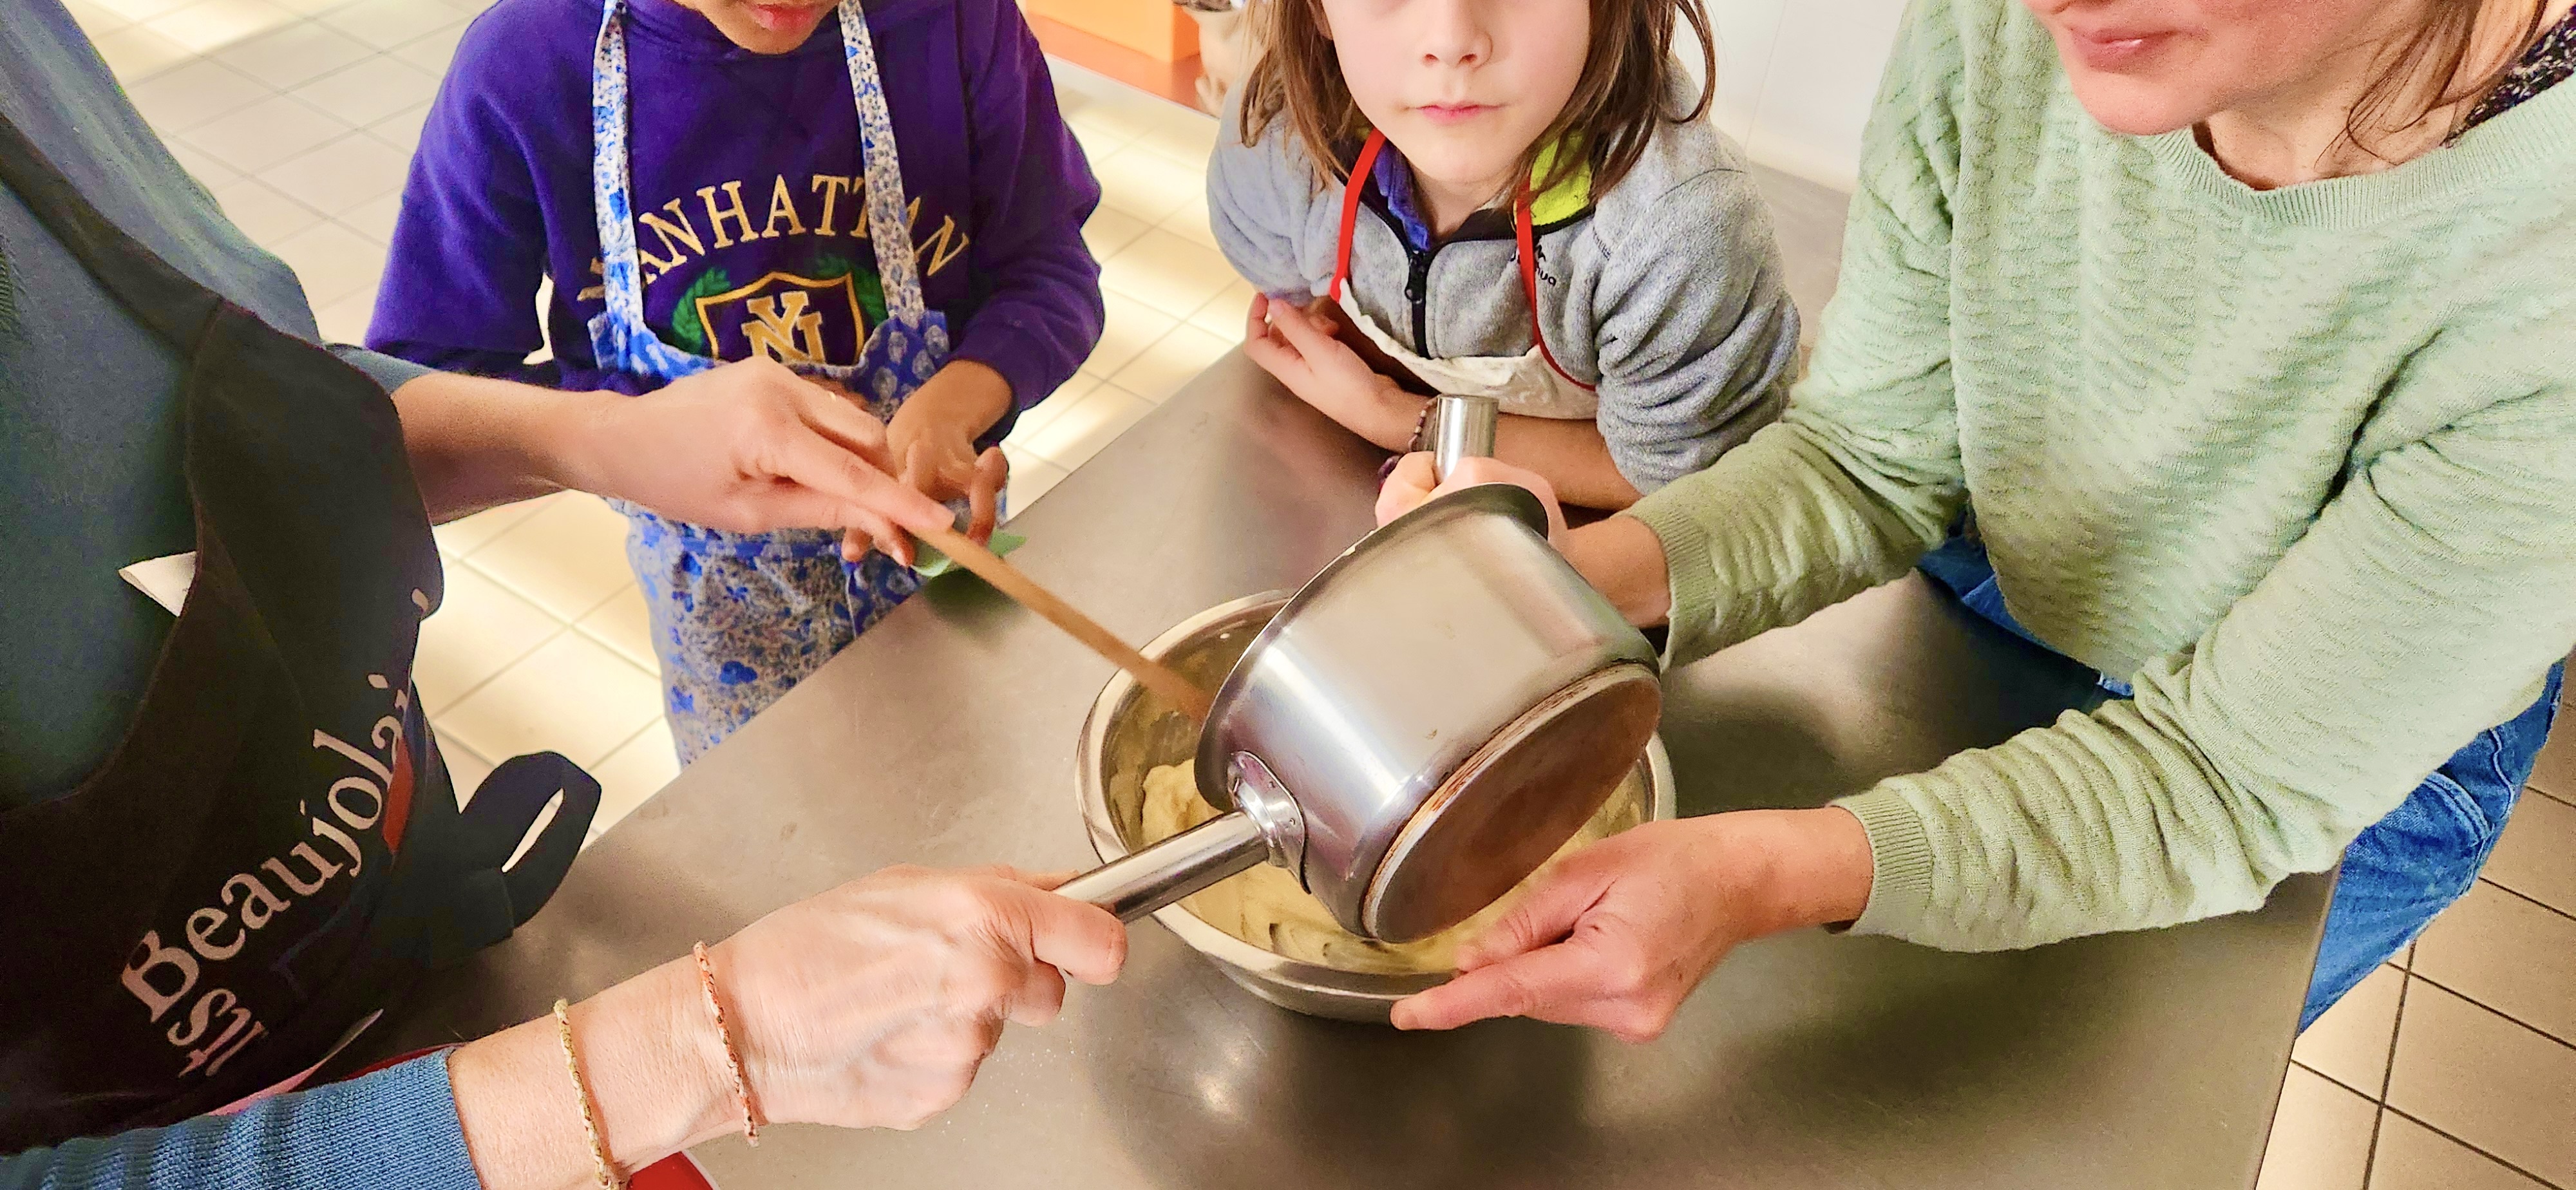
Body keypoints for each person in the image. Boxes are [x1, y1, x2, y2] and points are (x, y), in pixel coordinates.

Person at [0, 3, 1124, 1184]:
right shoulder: (531, 67)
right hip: (727, 648)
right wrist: (712, 1043)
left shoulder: (953, 28)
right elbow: (432, 349)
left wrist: (610, 440)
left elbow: (303, 413)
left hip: (410, 910)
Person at [1376, 0, 2576, 1041]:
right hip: (2037, 570)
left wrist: (1759, 872)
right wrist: (1557, 597)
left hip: (2334, 771)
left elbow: (2225, 779)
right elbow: (1867, 456)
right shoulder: (2011, 25)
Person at [370, 0, 1106, 763]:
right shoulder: (523, 66)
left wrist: (952, 408)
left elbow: (1048, 270)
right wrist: (643, 427)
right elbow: (423, 390)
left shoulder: (957, 23)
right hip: (723, 631)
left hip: (948, 561)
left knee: (983, 765)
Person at [1207, 0, 1801, 511]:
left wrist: (1396, 418)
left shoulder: (1674, 234)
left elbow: (1674, 479)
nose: (1451, 41)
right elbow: (1305, 304)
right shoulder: (1272, 139)